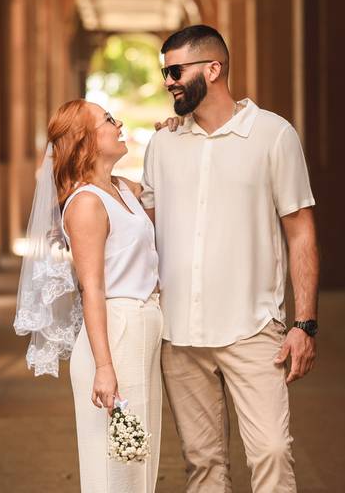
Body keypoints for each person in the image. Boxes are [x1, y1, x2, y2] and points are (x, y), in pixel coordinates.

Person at [143, 24, 319, 492]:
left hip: (253, 328)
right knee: (203, 465)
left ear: (213, 68)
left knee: (272, 453)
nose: (169, 82)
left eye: (176, 70)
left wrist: (305, 324)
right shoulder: (162, 144)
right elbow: (146, 230)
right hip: (180, 333)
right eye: (165, 73)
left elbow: (301, 233)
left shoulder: (273, 135)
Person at [14, 99, 163, 493]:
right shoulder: (85, 205)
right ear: (85, 142)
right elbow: (91, 288)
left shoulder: (123, 189)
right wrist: (104, 366)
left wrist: (172, 135)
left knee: (139, 464)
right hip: (115, 334)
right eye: (108, 120)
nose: (119, 124)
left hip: (142, 330)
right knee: (115, 472)